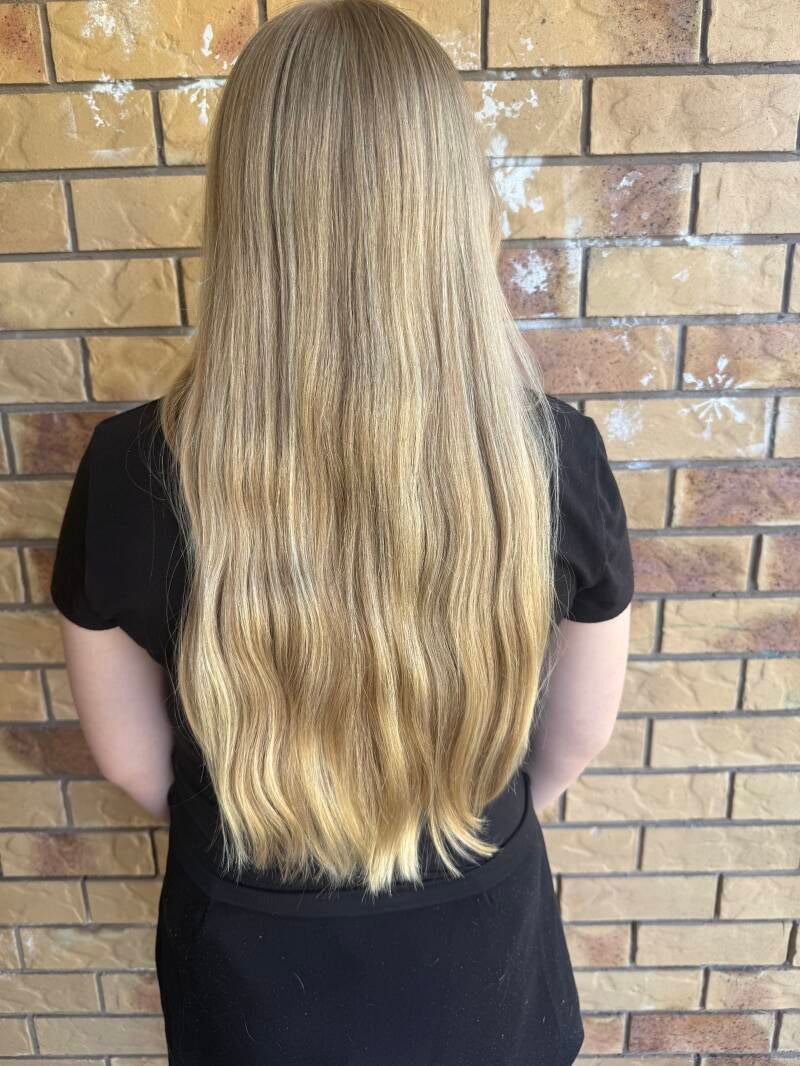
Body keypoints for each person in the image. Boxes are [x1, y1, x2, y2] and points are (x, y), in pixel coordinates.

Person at [49, 1, 634, 1063]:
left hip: (252, 970)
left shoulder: (130, 470)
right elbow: (572, 742)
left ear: (244, 207)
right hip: (481, 953)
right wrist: (456, 830)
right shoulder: (552, 456)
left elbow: (135, 763)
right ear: (450, 204)